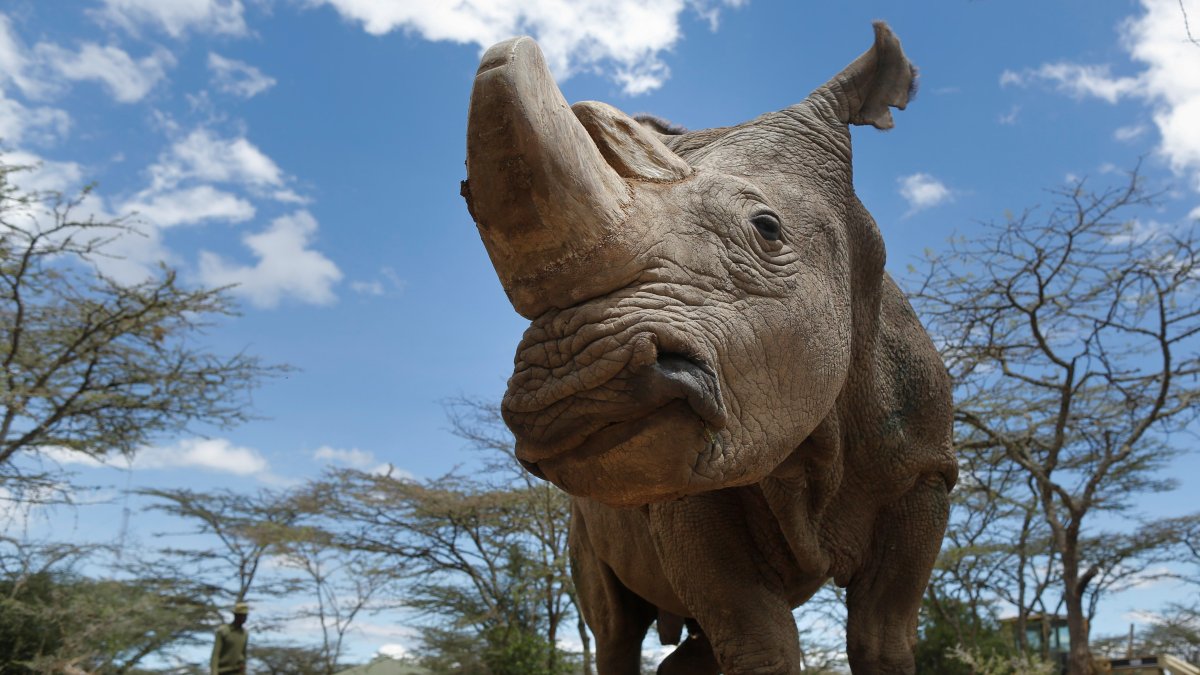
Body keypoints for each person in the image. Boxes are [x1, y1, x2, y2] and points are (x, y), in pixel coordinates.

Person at [210, 601, 250, 675]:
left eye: (245, 615)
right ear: (236, 615)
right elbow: (215, 655)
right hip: (223, 671)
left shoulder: (245, 633)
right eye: (241, 615)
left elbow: (244, 655)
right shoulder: (223, 631)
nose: (244, 618)